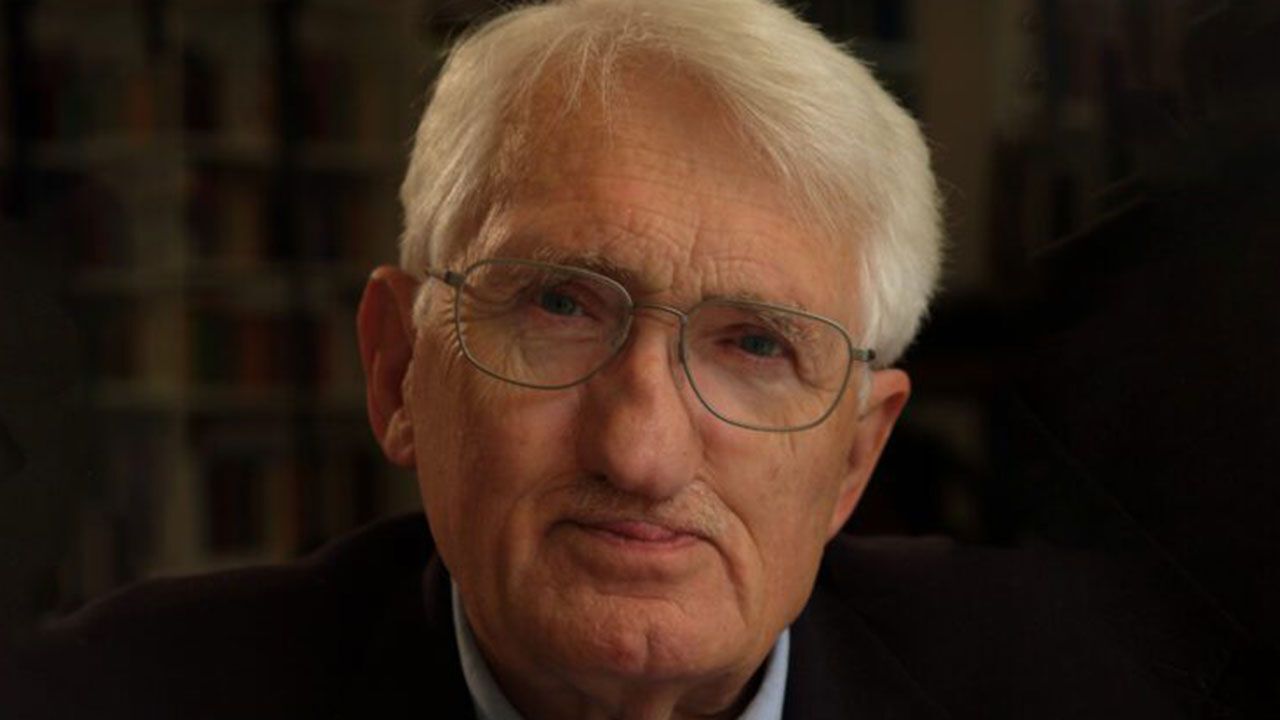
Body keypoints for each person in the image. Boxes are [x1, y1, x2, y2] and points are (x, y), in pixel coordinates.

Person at [0, 1, 1253, 718]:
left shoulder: (1110, 684)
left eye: (756, 343)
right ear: (396, 373)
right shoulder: (92, 701)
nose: (641, 452)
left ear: (853, 458)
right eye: (558, 304)